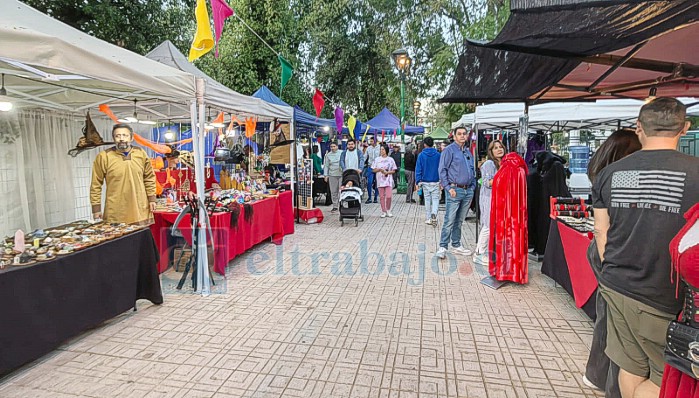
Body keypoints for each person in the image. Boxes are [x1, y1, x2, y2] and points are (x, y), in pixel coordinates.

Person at [592, 97, 699, 398]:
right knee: (665, 375)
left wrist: (610, 268)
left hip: (617, 283)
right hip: (666, 295)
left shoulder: (610, 173)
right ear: (685, 128)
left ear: (639, 128)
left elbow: (601, 230)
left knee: (631, 366)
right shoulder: (695, 171)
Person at [582, 128, 641, 398]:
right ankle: (605, 377)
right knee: (614, 318)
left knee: (607, 313)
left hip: (605, 250)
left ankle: (596, 373)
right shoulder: (620, 179)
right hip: (611, 251)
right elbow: (603, 229)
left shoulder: (601, 173)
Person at [90, 123, 157, 224]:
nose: (121, 139)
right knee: (119, 238)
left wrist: (152, 199)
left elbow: (149, 177)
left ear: (131, 138)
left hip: (140, 208)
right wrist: (96, 209)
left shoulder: (140, 153)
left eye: (125, 135)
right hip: (116, 210)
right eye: (118, 136)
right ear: (113, 138)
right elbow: (96, 184)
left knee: (140, 238)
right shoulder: (104, 156)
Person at [436, 127, 476, 259]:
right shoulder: (449, 150)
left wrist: (472, 187)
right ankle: (442, 246)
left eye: (464, 134)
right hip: (455, 189)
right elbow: (442, 170)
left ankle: (456, 244)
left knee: (459, 220)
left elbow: (472, 169)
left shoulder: (468, 152)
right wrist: (448, 187)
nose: (462, 136)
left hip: (467, 190)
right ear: (454, 136)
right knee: (449, 219)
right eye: (459, 134)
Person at [473, 140, 506, 265]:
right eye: (495, 148)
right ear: (491, 151)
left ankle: (485, 251)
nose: (499, 149)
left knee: (493, 225)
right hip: (489, 198)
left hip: (499, 199)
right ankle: (479, 252)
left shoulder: (503, 163)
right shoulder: (489, 164)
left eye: (500, 147)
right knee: (487, 225)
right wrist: (503, 176)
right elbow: (487, 183)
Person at [415, 136, 441, 225]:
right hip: (436, 180)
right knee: (435, 199)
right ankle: (434, 213)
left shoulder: (421, 155)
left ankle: (429, 217)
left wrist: (418, 181)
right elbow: (441, 168)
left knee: (427, 199)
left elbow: (418, 169)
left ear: (425, 144)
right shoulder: (438, 155)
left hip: (425, 181)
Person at [372, 144, 397, 218]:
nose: (381, 151)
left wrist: (387, 172)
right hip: (380, 180)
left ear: (386, 150)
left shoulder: (390, 159)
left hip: (388, 180)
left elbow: (394, 170)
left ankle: (388, 209)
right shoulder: (377, 159)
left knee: (389, 196)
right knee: (382, 197)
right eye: (380, 149)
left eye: (383, 149)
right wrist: (379, 170)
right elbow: (373, 169)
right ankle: (383, 211)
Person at [323, 141, 342, 212]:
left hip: (341, 174)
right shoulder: (328, 155)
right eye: (331, 147)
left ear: (337, 146)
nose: (333, 148)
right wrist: (325, 175)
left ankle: (341, 205)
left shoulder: (342, 153)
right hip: (332, 175)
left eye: (334, 146)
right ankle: (335, 206)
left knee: (341, 191)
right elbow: (326, 166)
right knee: (333, 191)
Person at [365, 137, 380, 204]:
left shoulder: (380, 148)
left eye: (372, 141)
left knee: (377, 183)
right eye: (370, 141)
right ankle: (369, 197)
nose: (371, 143)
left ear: (376, 141)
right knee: (369, 182)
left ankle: (376, 197)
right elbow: (365, 156)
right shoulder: (368, 148)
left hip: (378, 167)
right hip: (370, 167)